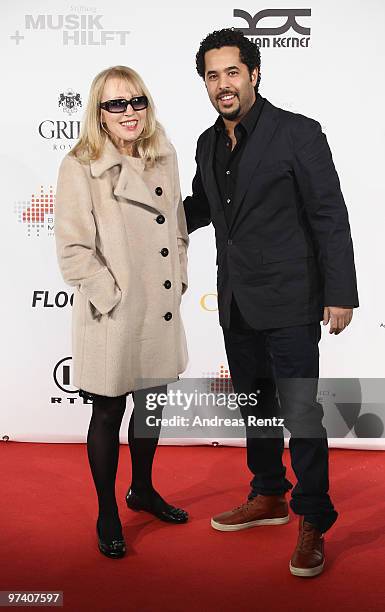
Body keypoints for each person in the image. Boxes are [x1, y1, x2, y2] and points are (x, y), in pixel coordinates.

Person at [183, 29, 359, 577]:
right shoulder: (208, 143)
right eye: (212, 76)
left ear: (254, 74)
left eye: (231, 72)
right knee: (255, 406)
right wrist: (140, 219)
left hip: (293, 300)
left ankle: (312, 517)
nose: (222, 85)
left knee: (301, 411)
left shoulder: (298, 133)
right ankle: (268, 495)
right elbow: (201, 208)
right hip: (237, 301)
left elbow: (329, 213)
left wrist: (340, 293)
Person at [55, 65, 189, 559]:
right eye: (116, 104)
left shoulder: (164, 154)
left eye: (136, 101)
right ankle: (108, 510)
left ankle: (144, 490)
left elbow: (176, 225)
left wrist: (178, 279)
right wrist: (112, 296)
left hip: (159, 305)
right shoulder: (80, 165)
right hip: (112, 311)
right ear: (99, 113)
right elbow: (73, 250)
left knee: (151, 405)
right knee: (109, 409)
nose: (129, 112)